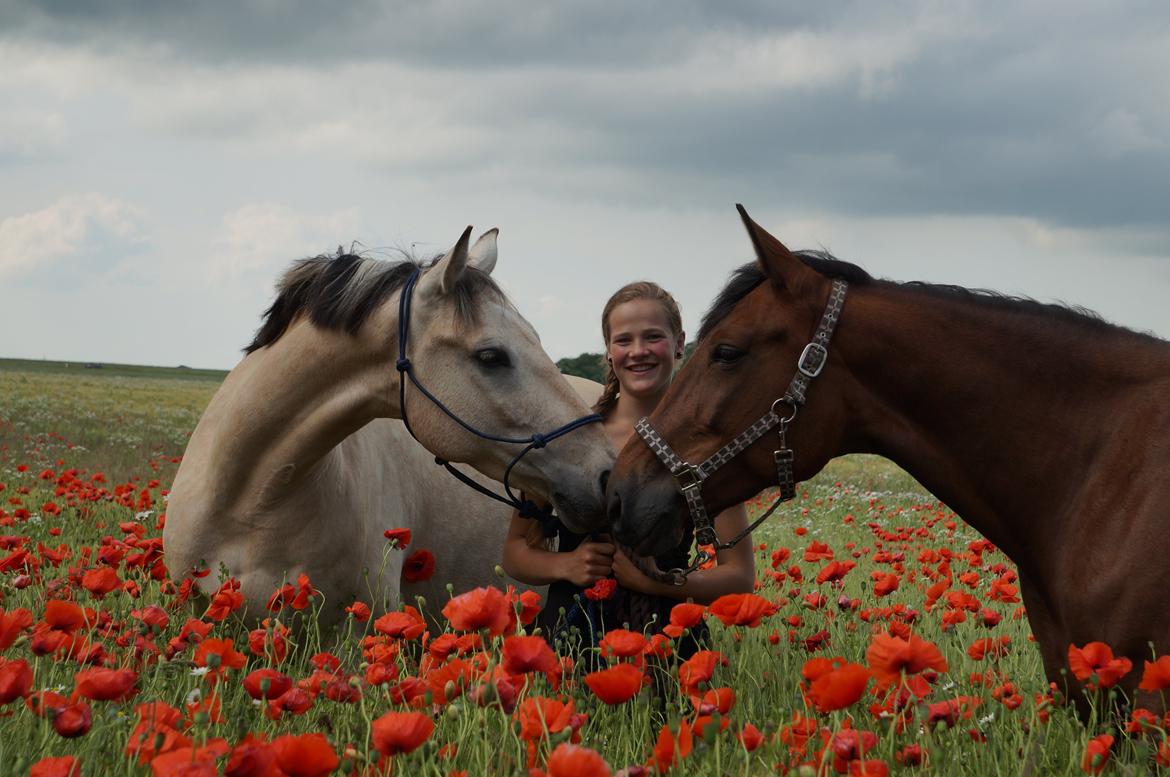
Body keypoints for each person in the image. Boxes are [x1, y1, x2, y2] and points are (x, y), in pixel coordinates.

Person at [501, 281, 756, 655]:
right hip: (571, 636)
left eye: (653, 337)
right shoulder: (569, 440)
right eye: (624, 340)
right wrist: (567, 565)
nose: (638, 352)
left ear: (679, 342)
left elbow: (740, 577)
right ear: (608, 351)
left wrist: (660, 584)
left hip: (670, 643)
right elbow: (515, 552)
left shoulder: (705, 443)